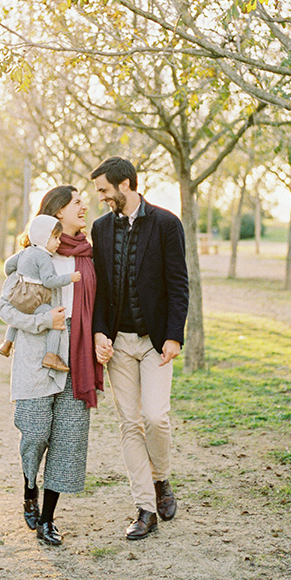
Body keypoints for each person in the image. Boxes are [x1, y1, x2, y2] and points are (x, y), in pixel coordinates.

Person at [0, 185, 103, 546]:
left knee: (67, 440)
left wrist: (99, 337)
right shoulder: (30, 256)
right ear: (57, 212)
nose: (84, 206)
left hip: (77, 356)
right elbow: (6, 309)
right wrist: (43, 322)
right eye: (77, 202)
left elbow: (99, 305)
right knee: (36, 431)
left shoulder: (88, 257)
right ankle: (30, 485)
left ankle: (47, 519)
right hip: (36, 355)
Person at [90, 157, 189, 540]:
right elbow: (97, 290)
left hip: (154, 343)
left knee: (155, 417)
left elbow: (178, 284)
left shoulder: (166, 224)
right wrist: (100, 332)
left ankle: (161, 479)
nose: (101, 198)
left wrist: (174, 336)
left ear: (126, 184)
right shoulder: (100, 229)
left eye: (104, 190)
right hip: (117, 345)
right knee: (129, 424)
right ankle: (145, 507)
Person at [0, 215, 81, 373]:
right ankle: (51, 355)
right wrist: (69, 278)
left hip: (19, 293)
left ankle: (7, 343)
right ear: (44, 238)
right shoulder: (44, 257)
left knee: (20, 309)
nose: (59, 242)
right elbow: (49, 281)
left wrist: (20, 275)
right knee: (57, 320)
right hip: (34, 298)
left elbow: (8, 266)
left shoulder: (25, 252)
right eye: (55, 238)